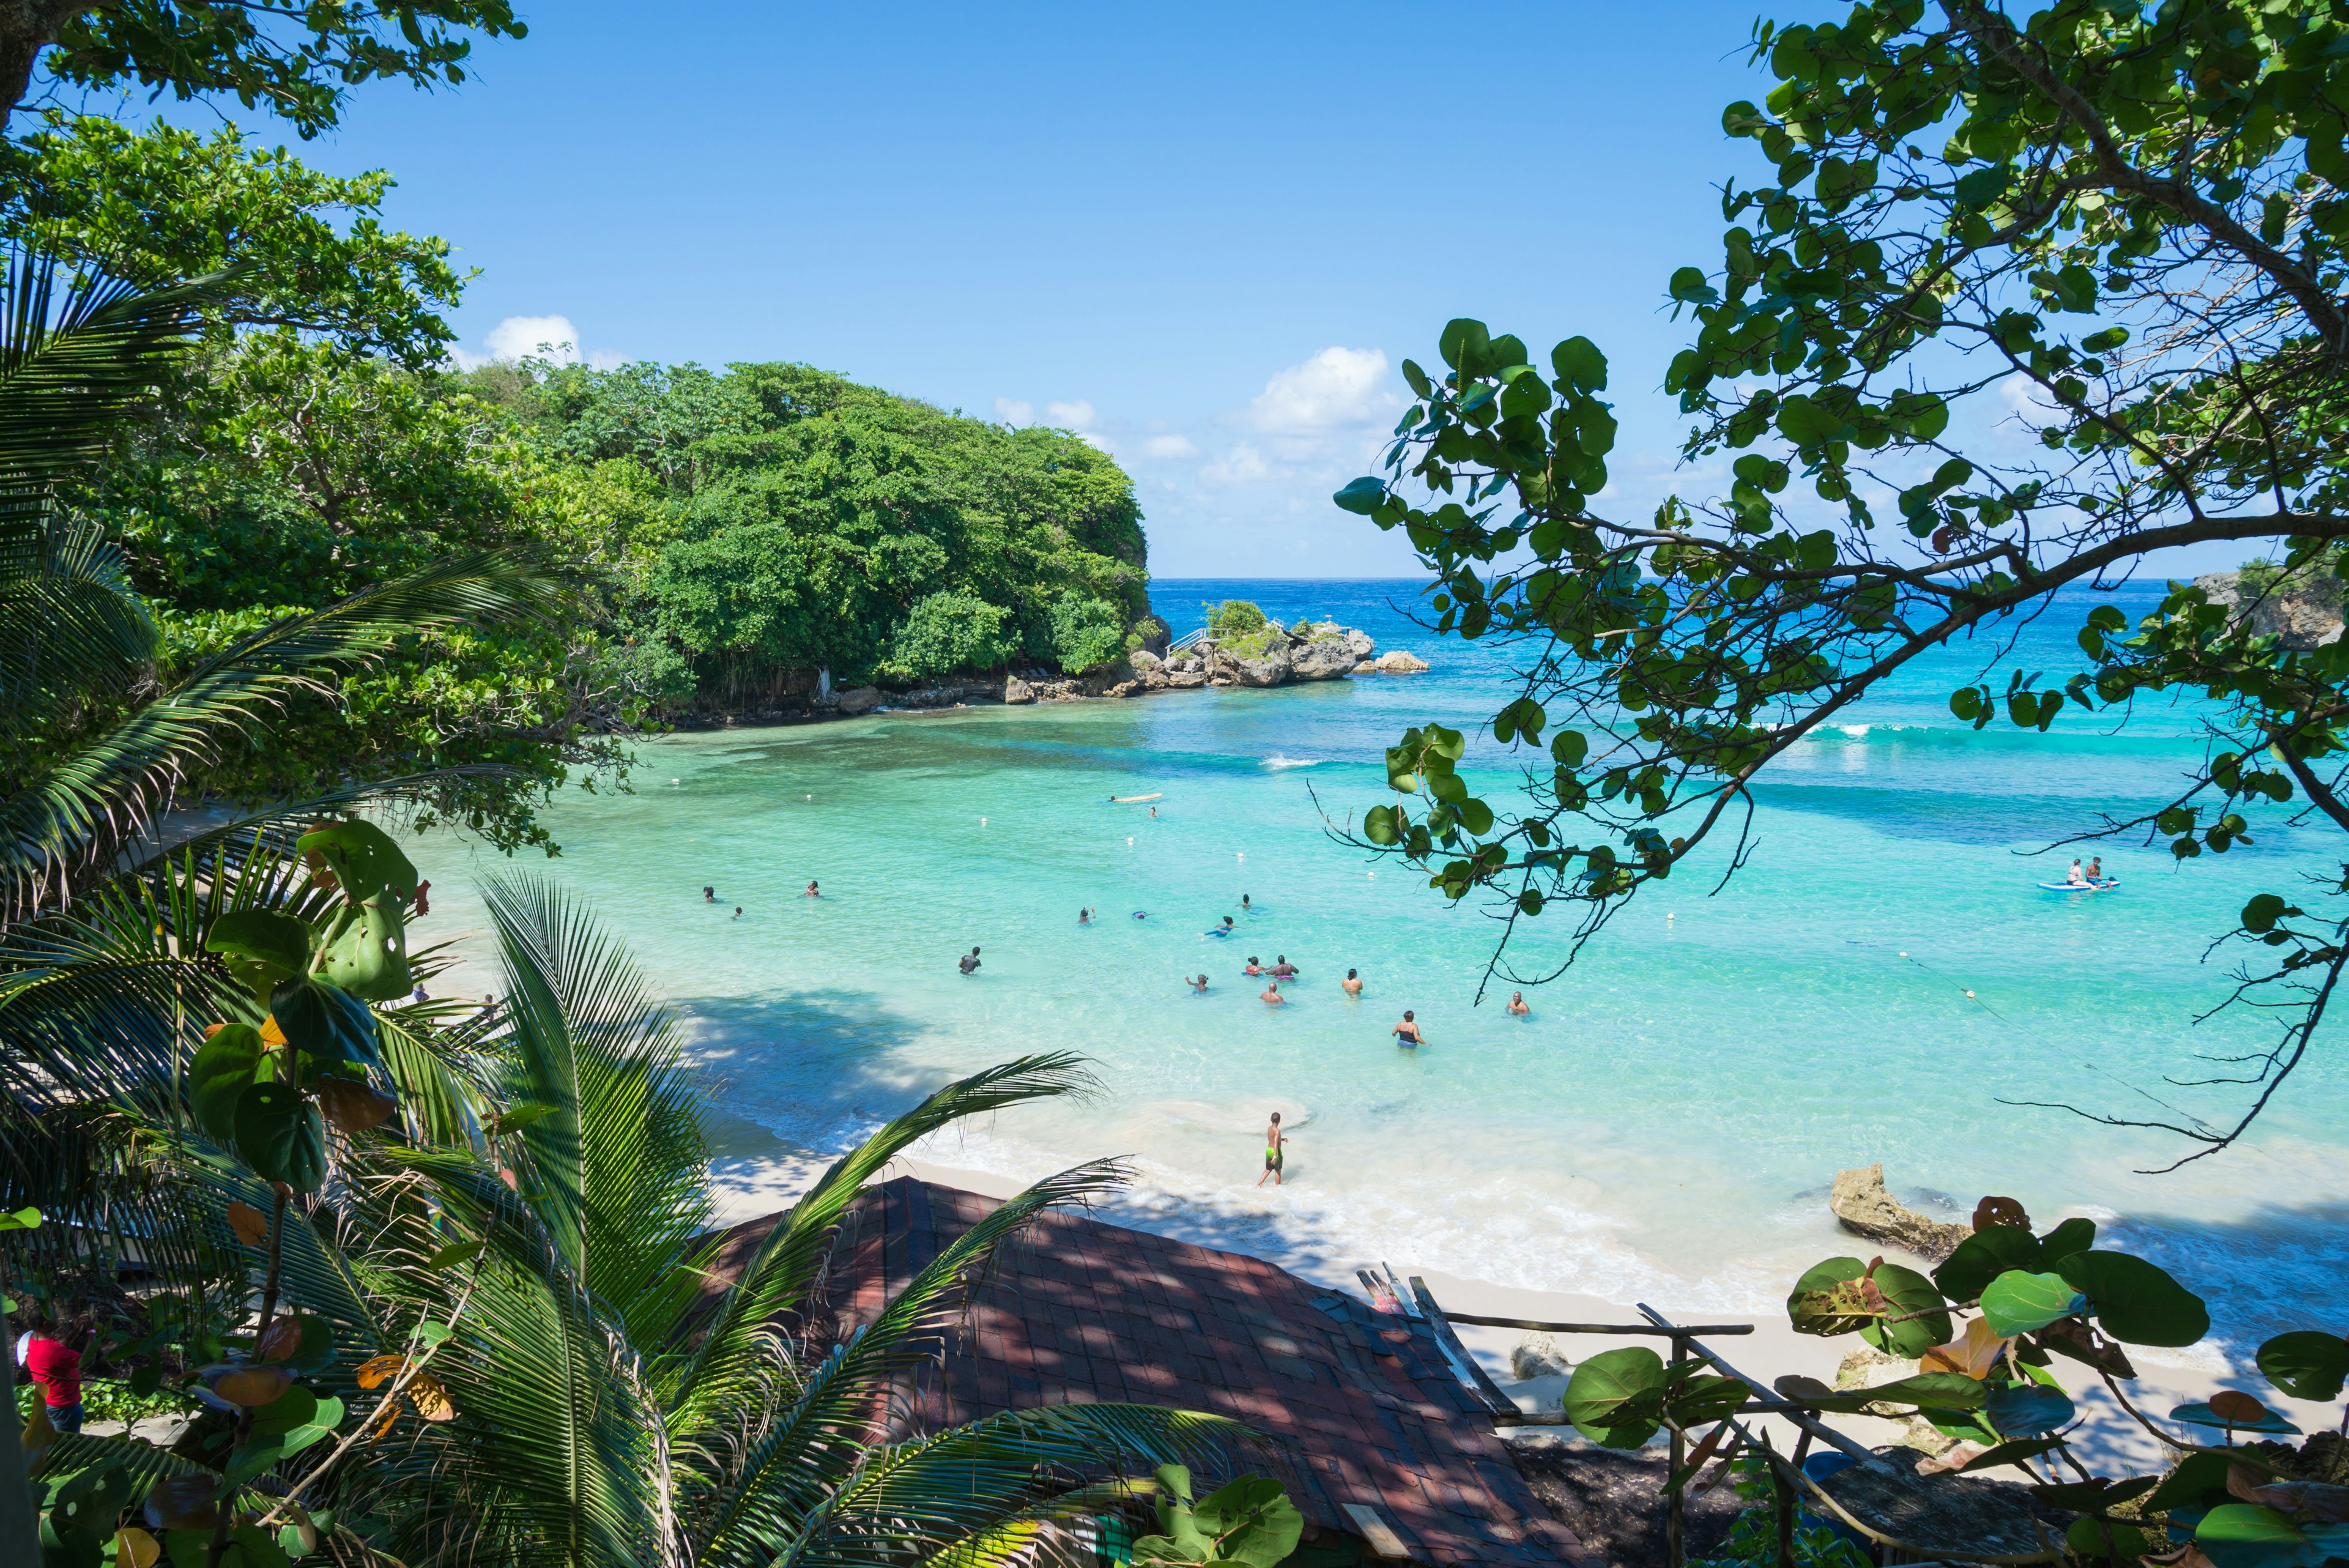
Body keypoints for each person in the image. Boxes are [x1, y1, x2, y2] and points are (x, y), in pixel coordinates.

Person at [24, 1320, 84, 1434]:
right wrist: (92, 1332)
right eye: (53, 1315)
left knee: (51, 1444)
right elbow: (88, 1360)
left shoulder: (34, 1340)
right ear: (46, 1323)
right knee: (65, 1447)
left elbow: (57, 1349)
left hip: (47, 1403)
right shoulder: (52, 1351)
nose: (56, 1317)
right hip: (64, 1408)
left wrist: (75, 1332)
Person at [1257, 1112, 1287, 1187]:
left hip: (1269, 1150)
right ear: (1279, 1121)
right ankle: (1278, 1188)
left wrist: (1282, 1139)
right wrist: (1275, 1156)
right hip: (1275, 1152)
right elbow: (1276, 1143)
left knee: (1268, 1169)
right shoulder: (1277, 1131)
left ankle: (1260, 1183)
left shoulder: (1269, 1129)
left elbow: (1272, 1139)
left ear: (1271, 1119)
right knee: (1278, 1171)